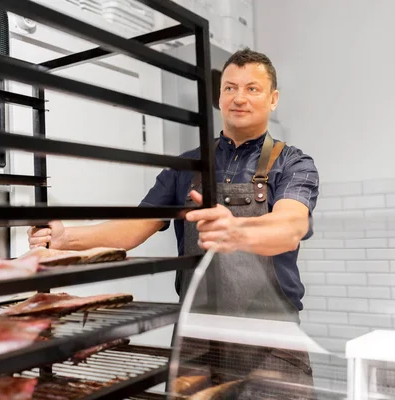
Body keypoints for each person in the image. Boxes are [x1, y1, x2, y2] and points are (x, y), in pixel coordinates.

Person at [27, 48, 319, 398]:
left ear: (273, 99)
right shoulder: (186, 166)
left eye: (252, 88)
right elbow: (136, 226)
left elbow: (289, 226)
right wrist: (65, 238)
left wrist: (237, 231)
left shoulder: (293, 163)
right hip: (196, 334)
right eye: (230, 88)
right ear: (219, 97)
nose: (239, 97)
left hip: (269, 337)